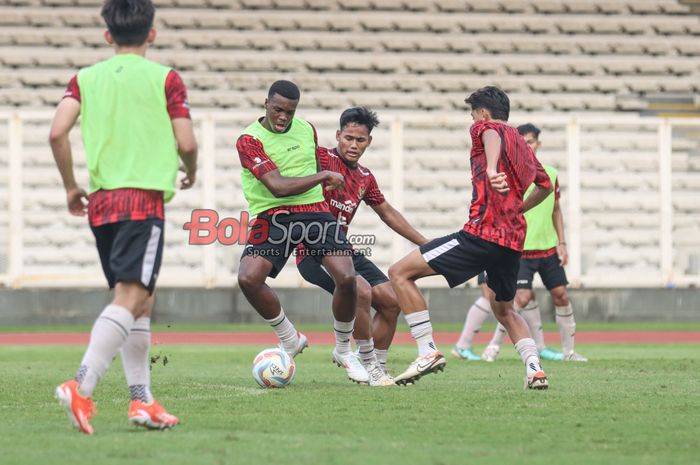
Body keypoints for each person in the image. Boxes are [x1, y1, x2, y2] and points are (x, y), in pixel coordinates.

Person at [50, 0, 196, 434]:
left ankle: (141, 401)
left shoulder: (85, 79)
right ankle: (81, 385)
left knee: (141, 301)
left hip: (102, 202)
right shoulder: (165, 78)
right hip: (143, 201)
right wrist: (192, 169)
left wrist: (70, 186)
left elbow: (57, 132)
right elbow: (186, 141)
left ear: (107, 36)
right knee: (131, 298)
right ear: (151, 34)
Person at [388, 86, 554, 389]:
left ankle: (427, 351)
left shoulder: (485, 128)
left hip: (481, 235)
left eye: (474, 114)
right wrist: (519, 205)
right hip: (512, 243)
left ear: (484, 113)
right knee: (504, 309)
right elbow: (546, 187)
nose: (474, 121)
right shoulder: (524, 146)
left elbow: (490, 134)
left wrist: (491, 169)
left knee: (399, 272)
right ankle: (535, 369)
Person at [236, 80, 368, 384]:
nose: (283, 117)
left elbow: (318, 162)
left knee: (347, 278)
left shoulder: (306, 129)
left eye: (290, 111)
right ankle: (289, 338)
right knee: (248, 278)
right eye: (278, 109)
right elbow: (278, 186)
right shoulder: (249, 139)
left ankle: (344, 351)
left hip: (313, 211)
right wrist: (323, 174)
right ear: (266, 103)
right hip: (273, 213)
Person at [295, 107, 428, 386]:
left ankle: (377, 365)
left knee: (392, 301)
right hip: (312, 251)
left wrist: (425, 243)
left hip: (342, 250)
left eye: (360, 140)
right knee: (362, 291)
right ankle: (365, 362)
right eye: (348, 138)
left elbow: (388, 213)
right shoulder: (319, 158)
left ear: (369, 141)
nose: (353, 145)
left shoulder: (365, 177)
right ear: (338, 135)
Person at [479, 124, 587, 363]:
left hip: (548, 248)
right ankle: (493, 347)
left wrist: (562, 242)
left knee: (561, 295)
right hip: (521, 249)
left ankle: (569, 352)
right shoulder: (508, 174)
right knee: (521, 298)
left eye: (531, 142)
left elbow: (556, 209)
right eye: (523, 142)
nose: (528, 146)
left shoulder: (550, 174)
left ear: (539, 144)